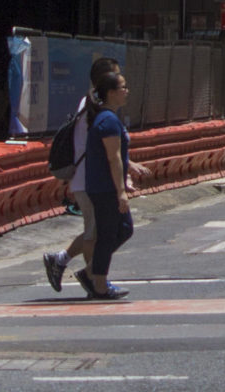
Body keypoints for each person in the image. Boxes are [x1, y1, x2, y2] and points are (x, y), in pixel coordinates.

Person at [44, 58, 143, 293]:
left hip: (92, 178)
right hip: (91, 179)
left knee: (99, 232)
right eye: (118, 81)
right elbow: (108, 151)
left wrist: (128, 166)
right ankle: (93, 279)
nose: (125, 89)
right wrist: (123, 179)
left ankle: (81, 269)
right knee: (96, 234)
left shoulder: (95, 108)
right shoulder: (96, 110)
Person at [81, 71, 134, 300]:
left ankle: (91, 271)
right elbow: (113, 158)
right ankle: (99, 284)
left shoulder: (108, 118)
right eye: (122, 87)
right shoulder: (108, 120)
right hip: (105, 187)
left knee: (123, 229)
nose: (126, 91)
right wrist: (120, 191)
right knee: (108, 234)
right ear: (111, 93)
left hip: (103, 185)